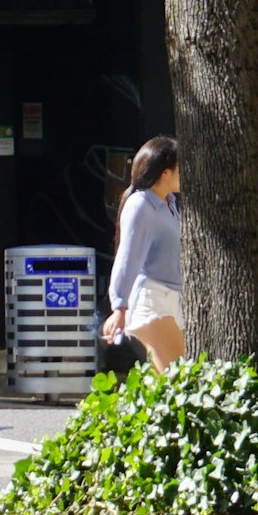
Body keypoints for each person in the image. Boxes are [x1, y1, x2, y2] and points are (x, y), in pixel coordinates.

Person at [105, 135, 185, 366]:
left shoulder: (168, 203)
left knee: (169, 381)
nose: (184, 173)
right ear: (165, 172)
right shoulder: (141, 204)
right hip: (152, 300)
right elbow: (129, 256)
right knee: (179, 376)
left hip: (169, 300)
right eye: (180, 167)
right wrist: (120, 306)